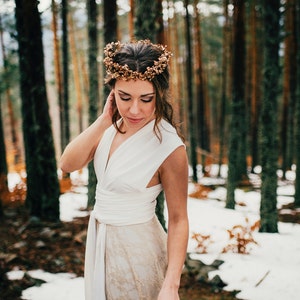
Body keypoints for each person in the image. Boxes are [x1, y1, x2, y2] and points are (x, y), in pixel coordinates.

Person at [59, 39, 189, 300]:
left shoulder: (170, 147)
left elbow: (178, 219)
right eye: (124, 97)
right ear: (112, 92)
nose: (134, 109)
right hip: (101, 243)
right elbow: (67, 164)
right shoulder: (111, 126)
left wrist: (171, 284)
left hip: (138, 252)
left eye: (146, 99)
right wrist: (105, 120)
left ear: (159, 94)